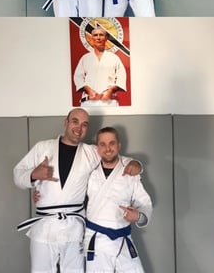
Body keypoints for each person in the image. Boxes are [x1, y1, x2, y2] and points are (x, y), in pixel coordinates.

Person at [14, 108, 140, 273]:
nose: (79, 128)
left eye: (84, 125)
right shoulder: (42, 148)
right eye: (75, 121)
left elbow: (112, 155)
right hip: (45, 226)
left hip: (74, 229)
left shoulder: (91, 152)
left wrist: (135, 164)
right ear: (66, 123)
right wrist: (33, 175)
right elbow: (17, 174)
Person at [84, 127, 152, 272]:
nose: (107, 148)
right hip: (97, 240)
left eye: (112, 143)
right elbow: (73, 192)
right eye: (102, 144)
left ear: (119, 145)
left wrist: (138, 216)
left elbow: (144, 202)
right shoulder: (89, 169)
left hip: (122, 237)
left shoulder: (129, 168)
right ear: (97, 148)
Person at [74, 23, 127, 106]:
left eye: (101, 35)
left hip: (109, 101)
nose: (98, 38)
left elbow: (121, 77)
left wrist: (111, 90)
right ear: (92, 38)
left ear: (106, 38)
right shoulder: (85, 58)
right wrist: (88, 90)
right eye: (95, 35)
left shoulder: (114, 58)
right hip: (89, 101)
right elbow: (78, 77)